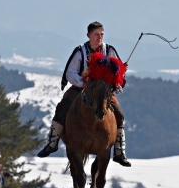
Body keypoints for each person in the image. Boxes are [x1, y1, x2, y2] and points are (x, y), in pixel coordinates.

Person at [37, 21, 131, 167]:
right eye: (96, 34)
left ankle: (119, 151)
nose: (99, 37)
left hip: (103, 90)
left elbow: (118, 72)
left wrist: (120, 72)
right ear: (89, 35)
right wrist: (83, 82)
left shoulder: (109, 50)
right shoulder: (80, 51)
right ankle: (52, 141)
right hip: (81, 88)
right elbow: (70, 73)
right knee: (63, 106)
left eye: (101, 34)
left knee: (118, 113)